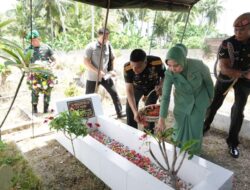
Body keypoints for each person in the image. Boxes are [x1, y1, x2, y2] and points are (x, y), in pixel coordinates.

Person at [203, 12, 250, 158]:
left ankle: (232, 143)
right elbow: (224, 68)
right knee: (214, 103)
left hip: (245, 81)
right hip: (227, 76)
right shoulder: (227, 43)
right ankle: (203, 128)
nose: (237, 33)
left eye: (241, 30)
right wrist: (242, 74)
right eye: (235, 30)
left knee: (238, 110)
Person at [156, 44, 214, 154]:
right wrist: (161, 119)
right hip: (182, 102)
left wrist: (211, 97)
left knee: (195, 129)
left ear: (183, 60)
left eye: (176, 65)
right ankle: (178, 152)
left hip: (198, 101)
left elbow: (208, 82)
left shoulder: (198, 65)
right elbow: (166, 96)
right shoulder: (169, 73)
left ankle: (194, 154)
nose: (173, 69)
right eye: (169, 65)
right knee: (179, 127)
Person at [84, 28, 125, 118]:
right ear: (99, 35)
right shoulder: (91, 47)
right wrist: (97, 71)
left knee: (114, 94)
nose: (106, 38)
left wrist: (112, 70)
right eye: (104, 36)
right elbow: (86, 62)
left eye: (107, 36)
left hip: (106, 76)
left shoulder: (108, 45)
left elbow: (112, 58)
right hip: (93, 78)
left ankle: (119, 112)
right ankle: (87, 117)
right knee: (88, 98)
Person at [124, 49, 165, 133]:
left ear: (145, 62)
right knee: (130, 109)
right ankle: (132, 133)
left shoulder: (156, 62)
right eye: (133, 66)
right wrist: (135, 112)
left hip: (153, 88)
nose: (134, 70)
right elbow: (129, 90)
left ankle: (148, 134)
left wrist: (161, 85)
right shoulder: (127, 68)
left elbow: (165, 76)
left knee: (150, 110)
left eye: (138, 67)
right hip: (137, 87)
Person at [25, 30, 56, 113]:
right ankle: (34, 108)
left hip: (46, 74)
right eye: (31, 41)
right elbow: (25, 62)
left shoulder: (46, 47)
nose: (33, 42)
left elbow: (54, 59)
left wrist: (52, 65)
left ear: (39, 38)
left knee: (47, 91)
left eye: (35, 40)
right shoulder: (28, 50)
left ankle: (46, 109)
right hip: (34, 75)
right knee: (34, 91)